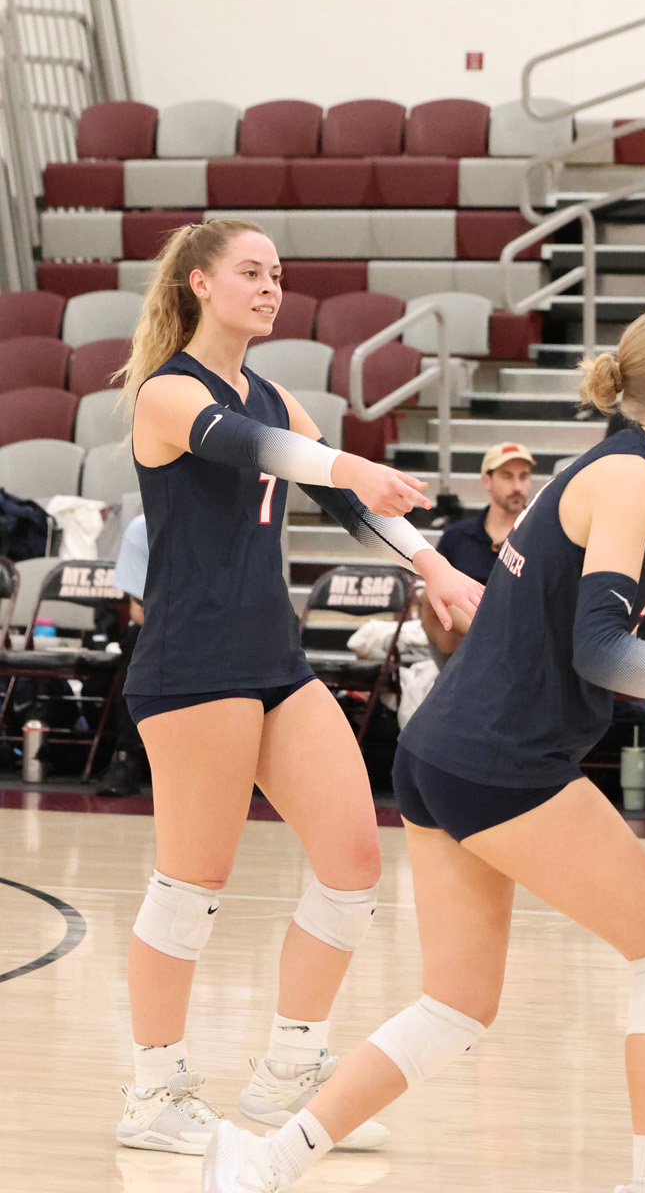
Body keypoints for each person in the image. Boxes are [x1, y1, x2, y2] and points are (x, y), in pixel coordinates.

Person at [201, 305, 645, 1193]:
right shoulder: (628, 479)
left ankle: (261, 1165)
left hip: (445, 754)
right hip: (504, 761)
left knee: (455, 1007)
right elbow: (603, 654)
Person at [113, 219, 483, 1157]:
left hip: (275, 660)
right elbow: (249, 448)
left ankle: (288, 1073)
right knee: (193, 883)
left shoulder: (276, 396)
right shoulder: (167, 392)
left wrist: (434, 565)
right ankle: (153, 1092)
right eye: (251, 272)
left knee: (353, 864)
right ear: (200, 284)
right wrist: (347, 460)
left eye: (277, 273)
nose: (270, 286)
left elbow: (347, 502)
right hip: (193, 665)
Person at [422, 441, 536, 658]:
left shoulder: (540, 535)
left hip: (522, 638)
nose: (517, 487)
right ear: (486, 480)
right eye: (507, 476)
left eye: (523, 476)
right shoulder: (457, 537)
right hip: (465, 649)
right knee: (432, 594)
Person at [97, 511, 149, 797]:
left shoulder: (226, 522)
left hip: (219, 624)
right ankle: (125, 756)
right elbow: (138, 611)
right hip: (163, 625)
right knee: (134, 641)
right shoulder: (142, 529)